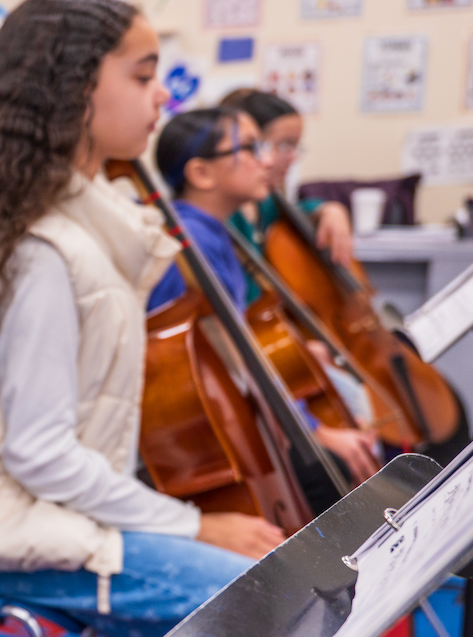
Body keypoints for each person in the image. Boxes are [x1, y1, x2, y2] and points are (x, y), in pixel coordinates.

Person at [0, 0, 295, 637]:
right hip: (8, 532)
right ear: (74, 87)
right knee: (282, 610)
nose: (161, 96)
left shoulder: (75, 220)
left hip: (40, 516)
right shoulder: (41, 248)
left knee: (259, 620)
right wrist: (196, 525)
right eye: (141, 75)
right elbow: (39, 453)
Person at [145, 107, 380, 482]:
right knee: (331, 471)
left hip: (223, 413)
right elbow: (230, 361)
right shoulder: (193, 245)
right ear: (201, 173)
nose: (268, 161)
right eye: (252, 149)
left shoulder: (210, 231)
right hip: (197, 433)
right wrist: (314, 431)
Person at [219, 88, 355, 265]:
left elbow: (297, 210)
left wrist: (328, 209)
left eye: (295, 146)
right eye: (284, 145)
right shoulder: (225, 210)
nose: (293, 157)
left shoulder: (265, 203)